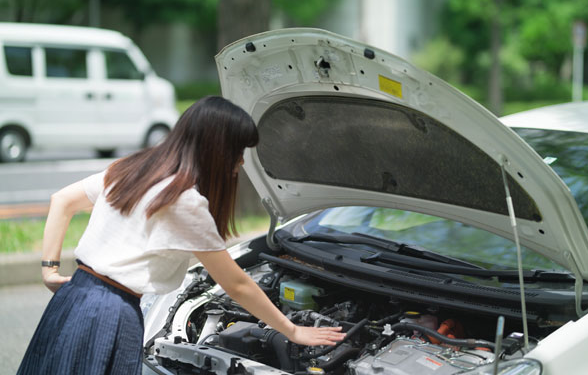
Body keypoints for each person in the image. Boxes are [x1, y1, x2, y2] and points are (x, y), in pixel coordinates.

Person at [17, 96, 345, 374]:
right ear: (216, 150)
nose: (241, 162)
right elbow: (237, 284)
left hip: (76, 296)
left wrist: (49, 270)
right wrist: (291, 330)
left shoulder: (133, 167)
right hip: (111, 313)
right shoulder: (184, 200)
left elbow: (62, 200)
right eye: (237, 151)